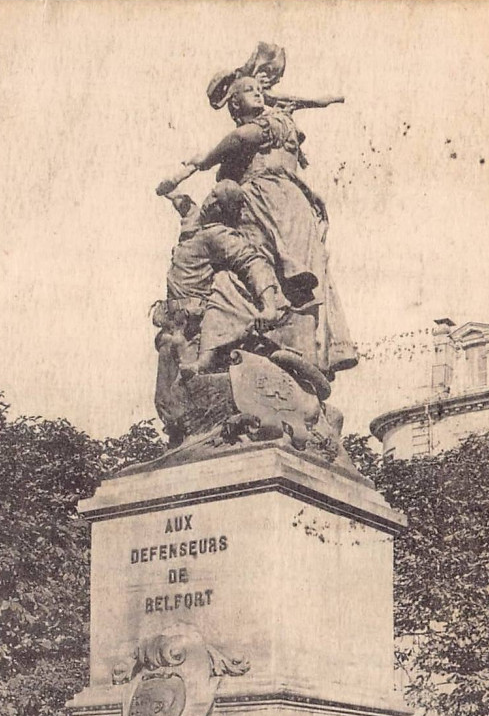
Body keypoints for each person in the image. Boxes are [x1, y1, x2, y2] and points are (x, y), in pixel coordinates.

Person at [157, 71, 357, 379]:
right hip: (264, 205)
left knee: (290, 276)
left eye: (257, 89)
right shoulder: (259, 139)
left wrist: (204, 160)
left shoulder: (273, 123)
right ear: (234, 104)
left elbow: (241, 138)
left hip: (276, 203)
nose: (258, 93)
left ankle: (291, 346)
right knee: (250, 275)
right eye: (248, 91)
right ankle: (250, 343)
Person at [153, 180, 287, 442]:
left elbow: (253, 263)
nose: (211, 201)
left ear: (224, 212)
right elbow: (184, 204)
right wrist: (169, 191)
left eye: (218, 201)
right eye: (212, 194)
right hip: (171, 327)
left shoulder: (218, 235)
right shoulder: (194, 221)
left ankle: (201, 442)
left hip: (192, 329)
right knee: (165, 399)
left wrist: (269, 305)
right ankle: (181, 446)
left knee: (188, 391)